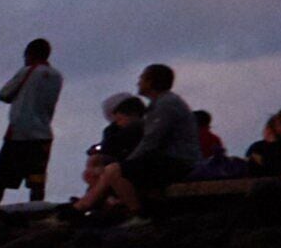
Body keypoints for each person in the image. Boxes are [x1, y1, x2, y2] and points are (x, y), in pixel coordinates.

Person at [78, 63, 197, 219]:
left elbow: (151, 141)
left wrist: (128, 163)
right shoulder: (161, 104)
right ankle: (83, 206)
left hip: (178, 162)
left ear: (151, 82)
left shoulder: (166, 105)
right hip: (172, 159)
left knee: (115, 171)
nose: (138, 82)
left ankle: (137, 214)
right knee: (113, 170)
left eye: (142, 78)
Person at [0, 39, 63, 202]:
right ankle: (36, 210)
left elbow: (4, 94)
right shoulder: (57, 76)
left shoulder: (29, 71)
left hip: (19, 133)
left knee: (1, 179)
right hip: (43, 133)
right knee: (37, 180)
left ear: (29, 55)